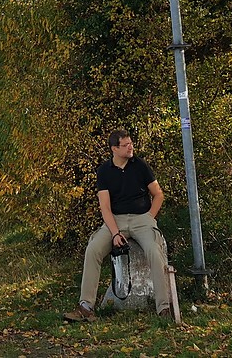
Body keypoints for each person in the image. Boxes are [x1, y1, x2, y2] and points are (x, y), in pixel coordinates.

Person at [63, 129, 170, 321]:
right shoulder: (104, 171)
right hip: (115, 219)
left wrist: (149, 218)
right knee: (93, 249)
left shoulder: (140, 166)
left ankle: (164, 308)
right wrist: (114, 233)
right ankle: (86, 307)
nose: (131, 147)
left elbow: (158, 194)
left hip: (142, 219)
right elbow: (104, 207)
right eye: (125, 145)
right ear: (114, 149)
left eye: (131, 143)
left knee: (154, 251)